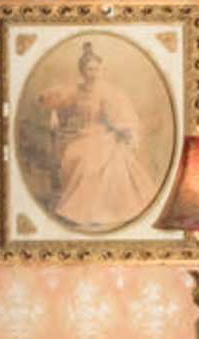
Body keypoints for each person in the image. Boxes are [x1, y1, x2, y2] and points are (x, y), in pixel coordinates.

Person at [39, 40, 157, 232]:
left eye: (96, 69)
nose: (92, 73)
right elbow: (56, 101)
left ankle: (101, 212)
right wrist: (53, 110)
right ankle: (84, 210)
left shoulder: (110, 92)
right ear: (82, 72)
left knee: (92, 162)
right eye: (88, 70)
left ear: (101, 70)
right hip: (83, 135)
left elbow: (120, 117)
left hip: (105, 136)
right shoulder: (77, 91)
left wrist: (122, 130)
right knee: (73, 155)